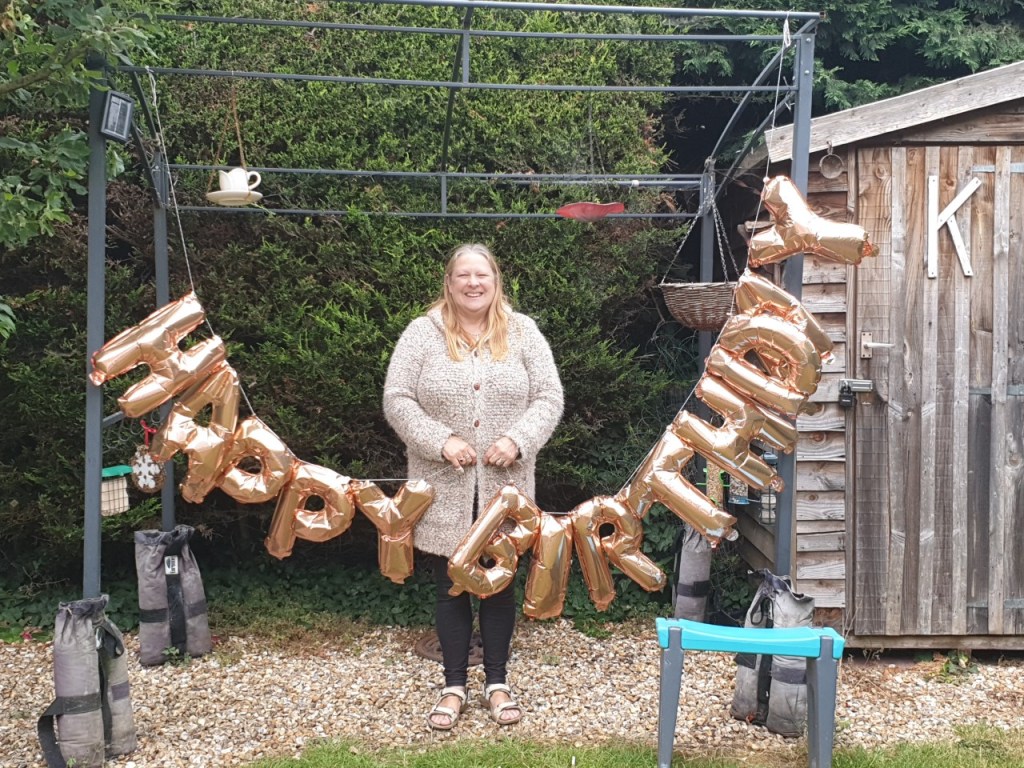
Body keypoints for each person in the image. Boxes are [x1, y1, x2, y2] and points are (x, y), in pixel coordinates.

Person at [383, 242, 563, 730]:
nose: (472, 283)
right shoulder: (422, 335)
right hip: (444, 487)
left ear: (495, 280)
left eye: (480, 274)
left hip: (506, 488)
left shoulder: (523, 332)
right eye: (463, 275)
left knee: (499, 588)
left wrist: (517, 439)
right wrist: (440, 440)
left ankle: (498, 684)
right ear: (449, 282)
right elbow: (396, 399)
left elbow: (549, 397)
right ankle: (453, 686)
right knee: (451, 588)